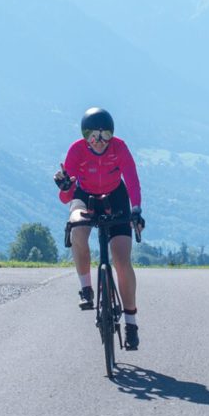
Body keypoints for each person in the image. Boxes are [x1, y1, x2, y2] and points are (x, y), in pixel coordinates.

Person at [54, 107, 146, 350]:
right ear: (85, 136)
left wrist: (135, 209)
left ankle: (131, 324)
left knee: (122, 260)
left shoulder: (120, 148)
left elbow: (132, 180)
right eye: (93, 136)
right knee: (77, 229)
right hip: (85, 196)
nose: (99, 142)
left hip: (115, 196)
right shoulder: (76, 150)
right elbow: (66, 198)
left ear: (112, 135)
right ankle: (86, 289)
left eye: (105, 136)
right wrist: (65, 187)